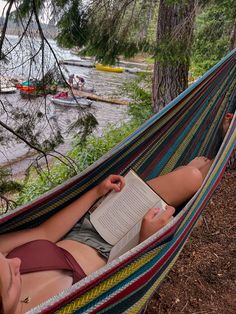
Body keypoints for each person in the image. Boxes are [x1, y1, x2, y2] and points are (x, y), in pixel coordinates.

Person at [0, 114, 233, 313]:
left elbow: (45, 232)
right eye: (10, 283)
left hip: (94, 225)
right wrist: (146, 242)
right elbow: (114, 287)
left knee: (190, 176)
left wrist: (96, 192)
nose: (16, 261)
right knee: (192, 177)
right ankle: (224, 150)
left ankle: (214, 157)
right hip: (120, 253)